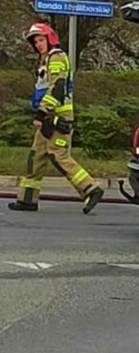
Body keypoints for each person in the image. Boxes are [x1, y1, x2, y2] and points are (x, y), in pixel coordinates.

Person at [7, 23, 104, 213]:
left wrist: (42, 113)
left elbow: (57, 87)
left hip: (57, 117)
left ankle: (90, 188)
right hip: (48, 117)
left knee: (57, 155)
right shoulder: (45, 60)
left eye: (41, 40)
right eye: (35, 42)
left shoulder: (56, 57)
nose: (38, 44)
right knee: (36, 156)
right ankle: (28, 199)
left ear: (50, 39)